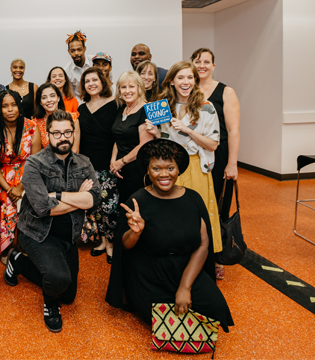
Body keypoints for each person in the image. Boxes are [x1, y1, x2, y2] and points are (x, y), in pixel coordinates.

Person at [105, 139, 234, 336]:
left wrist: (185, 287)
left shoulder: (193, 199)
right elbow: (125, 246)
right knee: (167, 326)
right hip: (149, 272)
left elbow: (203, 245)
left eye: (170, 167)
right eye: (156, 168)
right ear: (147, 171)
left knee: (216, 313)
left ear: (178, 169)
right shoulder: (137, 200)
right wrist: (136, 232)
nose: (164, 174)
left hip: (186, 268)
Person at [4, 109, 101, 333]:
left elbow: (93, 199)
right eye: (57, 133)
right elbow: (41, 208)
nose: (63, 137)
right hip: (38, 233)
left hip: (69, 235)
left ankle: (19, 262)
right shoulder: (34, 164)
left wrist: (56, 196)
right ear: (48, 134)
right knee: (58, 280)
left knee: (68, 295)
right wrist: (79, 199)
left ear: (73, 133)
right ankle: (49, 304)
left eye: (67, 132)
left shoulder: (84, 163)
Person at [146, 61, 223, 271]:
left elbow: (213, 144)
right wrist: (155, 133)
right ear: (171, 81)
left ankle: (208, 258)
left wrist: (188, 130)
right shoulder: (163, 105)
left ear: (195, 80)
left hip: (195, 166)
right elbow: (163, 138)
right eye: (180, 78)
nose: (185, 82)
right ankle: (175, 256)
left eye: (190, 77)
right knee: (170, 213)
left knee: (199, 214)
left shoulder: (206, 107)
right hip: (169, 168)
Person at [0, 89, 41, 257]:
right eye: (5, 106)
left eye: (13, 105)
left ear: (19, 106)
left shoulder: (32, 127)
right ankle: (7, 249)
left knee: (29, 205)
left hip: (29, 175)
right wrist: (10, 189)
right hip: (2, 179)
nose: (10, 110)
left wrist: (21, 187)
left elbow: (36, 161)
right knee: (6, 203)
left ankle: (28, 245)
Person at [191, 49, 240, 220]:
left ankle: (218, 243)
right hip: (193, 152)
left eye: (206, 62)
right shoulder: (187, 89)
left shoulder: (226, 92)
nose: (201, 66)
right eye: (197, 61)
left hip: (218, 153)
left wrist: (232, 163)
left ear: (213, 66)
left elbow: (233, 131)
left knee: (217, 200)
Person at [77, 67, 119, 262]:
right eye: (87, 81)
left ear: (102, 82)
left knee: (111, 206)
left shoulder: (115, 104)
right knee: (96, 206)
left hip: (109, 162)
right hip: (88, 164)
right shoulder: (81, 108)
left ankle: (111, 243)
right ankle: (102, 241)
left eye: (95, 80)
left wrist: (115, 160)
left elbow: (119, 135)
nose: (91, 84)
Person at [110, 71, 154, 205]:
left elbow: (145, 144)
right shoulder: (122, 109)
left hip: (137, 170)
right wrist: (113, 162)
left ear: (139, 88)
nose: (127, 91)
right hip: (121, 171)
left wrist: (121, 162)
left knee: (136, 207)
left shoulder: (146, 110)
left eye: (131, 87)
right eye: (123, 87)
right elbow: (118, 137)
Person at [32, 82, 80, 152]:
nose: (49, 100)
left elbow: (75, 150)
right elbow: (37, 153)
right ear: (40, 102)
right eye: (44, 97)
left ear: (58, 98)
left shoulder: (72, 119)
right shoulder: (36, 123)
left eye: (52, 96)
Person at [64, 30, 93, 102]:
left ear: (84, 49)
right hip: (81, 102)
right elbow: (72, 94)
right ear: (69, 52)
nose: (76, 53)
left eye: (79, 49)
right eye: (73, 51)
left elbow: (108, 79)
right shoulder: (67, 71)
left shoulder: (95, 61)